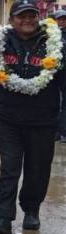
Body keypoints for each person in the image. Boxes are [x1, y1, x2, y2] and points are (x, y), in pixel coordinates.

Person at [0, 0, 65, 234]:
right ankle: (2, 217)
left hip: (43, 119)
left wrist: (62, 121)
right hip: (8, 117)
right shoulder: (1, 42)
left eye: (31, 15)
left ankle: (31, 210)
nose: (27, 20)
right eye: (21, 16)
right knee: (9, 167)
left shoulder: (54, 43)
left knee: (37, 168)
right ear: (11, 20)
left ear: (38, 17)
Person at [54, 9, 66, 143]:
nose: (62, 22)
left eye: (64, 19)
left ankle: (62, 131)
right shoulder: (52, 34)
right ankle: (56, 131)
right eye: (60, 19)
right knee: (55, 102)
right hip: (54, 74)